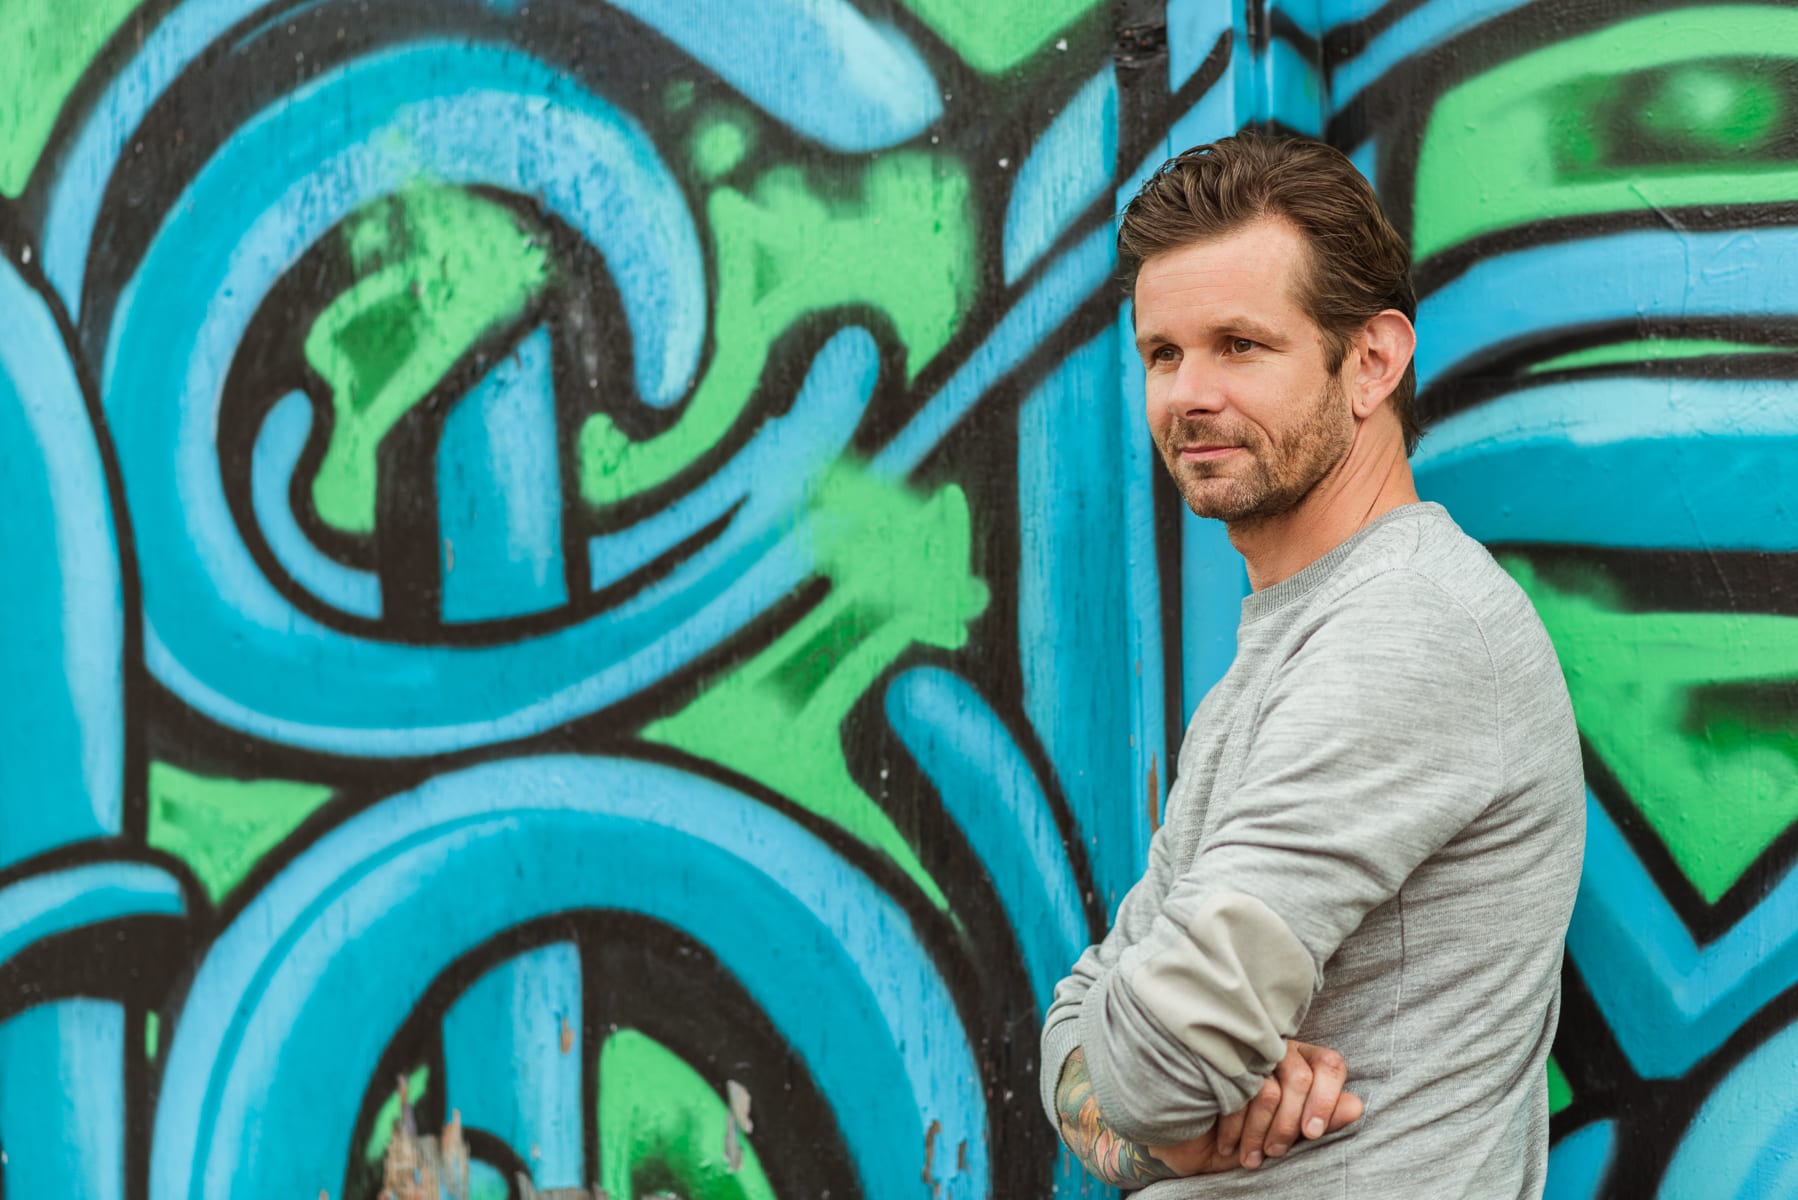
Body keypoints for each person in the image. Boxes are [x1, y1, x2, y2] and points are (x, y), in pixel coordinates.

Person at [1038, 132, 1585, 1197]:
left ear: (1372, 360)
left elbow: (1149, 1068)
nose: (1188, 394)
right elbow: (1076, 1024)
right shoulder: (1299, 638)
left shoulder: (1409, 633)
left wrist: (1144, 1088)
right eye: (1163, 353)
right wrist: (1163, 1123)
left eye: (1239, 345)